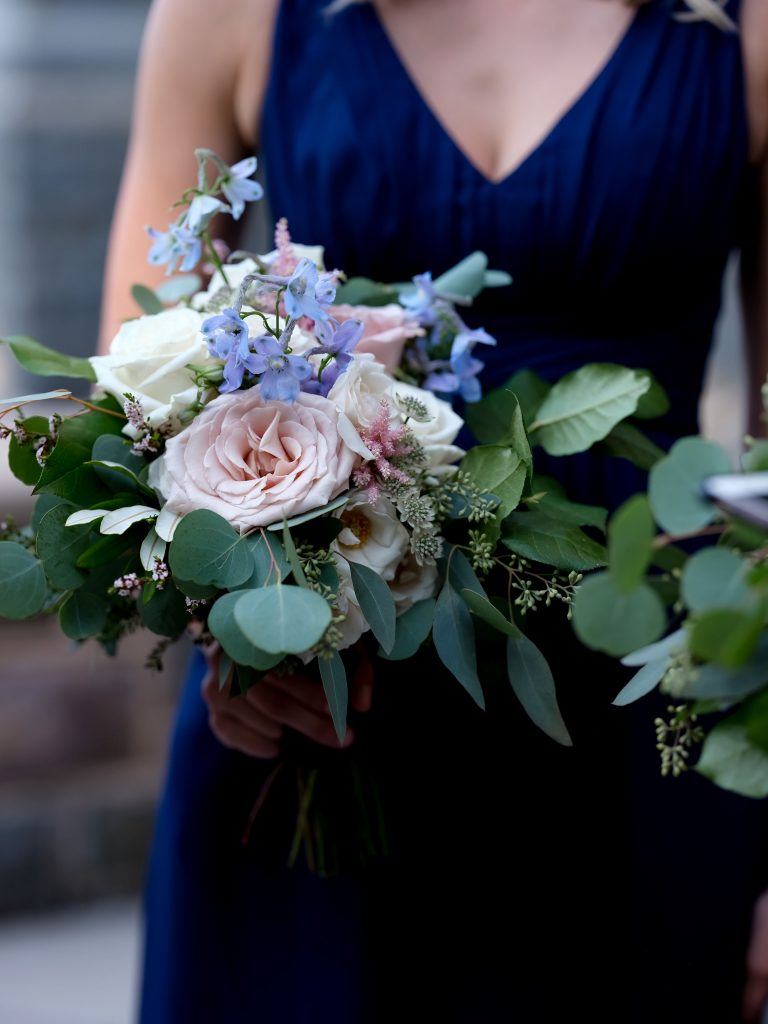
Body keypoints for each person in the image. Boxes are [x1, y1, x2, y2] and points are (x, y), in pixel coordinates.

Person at [98, 0, 768, 1020]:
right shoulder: (229, 11)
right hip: (315, 714)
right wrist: (216, 621)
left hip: (644, 721)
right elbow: (136, 390)